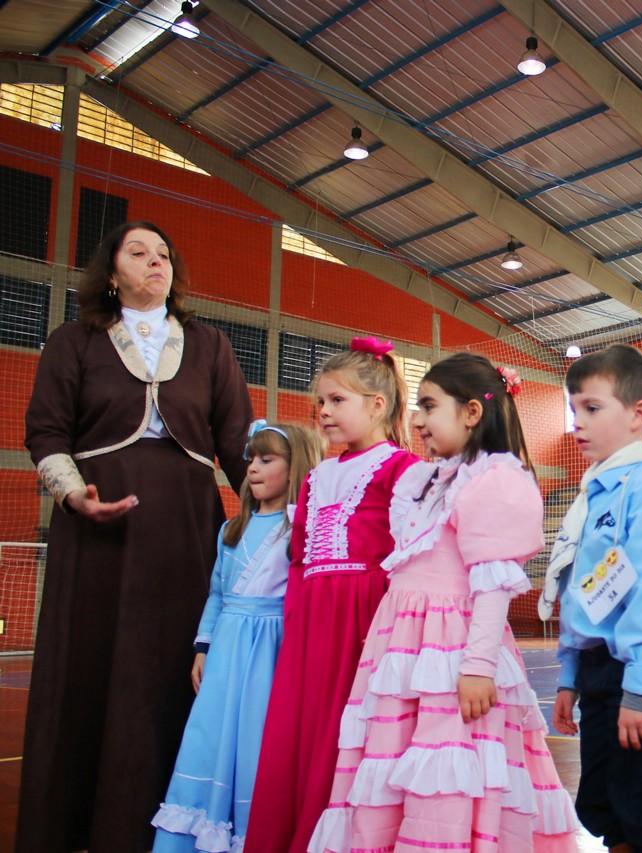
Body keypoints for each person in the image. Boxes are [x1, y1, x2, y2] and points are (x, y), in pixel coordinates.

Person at [21, 221, 254, 852]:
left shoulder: (210, 346)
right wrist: (74, 496)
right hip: (96, 530)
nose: (156, 262)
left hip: (187, 527)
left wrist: (276, 515)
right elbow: (45, 432)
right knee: (92, 664)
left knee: (177, 666)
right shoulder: (72, 342)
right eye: (139, 252)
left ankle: (175, 821)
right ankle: (78, 824)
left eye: (164, 255)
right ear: (111, 271)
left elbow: (238, 443)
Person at [308, 353, 577, 853]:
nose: (418, 421)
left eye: (429, 406)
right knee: (397, 759)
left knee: (447, 766)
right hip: (404, 645)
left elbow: (491, 585)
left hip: (452, 650)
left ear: (471, 412)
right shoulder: (429, 480)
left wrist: (477, 667)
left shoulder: (495, 479)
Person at [244, 339, 429, 853]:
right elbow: (300, 556)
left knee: (349, 728)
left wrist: (394, 629)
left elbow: (409, 554)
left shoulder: (401, 468)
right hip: (312, 620)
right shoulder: (317, 476)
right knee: (300, 729)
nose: (323, 411)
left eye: (337, 400)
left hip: (366, 618)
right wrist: (295, 619)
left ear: (378, 404)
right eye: (320, 402)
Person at [543, 344, 642, 853]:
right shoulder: (591, 495)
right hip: (597, 667)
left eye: (591, 408)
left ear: (637, 414)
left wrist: (639, 690)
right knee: (604, 802)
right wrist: (570, 675)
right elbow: (580, 594)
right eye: (574, 410)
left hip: (641, 668)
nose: (577, 422)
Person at [152, 420, 324, 852]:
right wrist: (203, 647)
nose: (252, 468)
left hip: (270, 651)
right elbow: (217, 593)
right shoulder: (231, 529)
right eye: (251, 459)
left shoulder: (301, 530)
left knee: (255, 741)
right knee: (208, 735)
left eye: (266, 459)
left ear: (295, 466)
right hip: (226, 649)